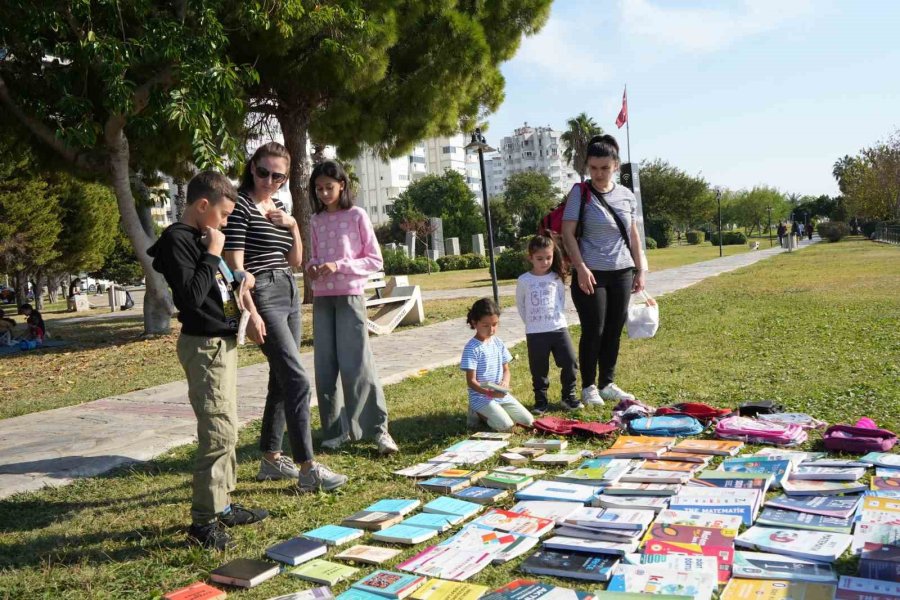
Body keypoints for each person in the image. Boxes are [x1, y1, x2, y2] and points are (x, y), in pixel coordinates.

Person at [148, 171, 269, 551]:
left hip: (222, 342)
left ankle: (223, 504)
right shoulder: (177, 241)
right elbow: (190, 297)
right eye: (223, 214)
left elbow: (214, 286)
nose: (226, 222)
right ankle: (203, 522)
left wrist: (239, 278)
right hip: (204, 347)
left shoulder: (203, 238)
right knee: (218, 433)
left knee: (228, 427)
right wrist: (214, 252)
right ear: (202, 205)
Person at [223, 142, 348, 492]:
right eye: (263, 172)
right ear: (252, 167)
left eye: (278, 175)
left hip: (288, 288)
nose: (270, 180)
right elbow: (235, 267)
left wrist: (293, 225)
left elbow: (294, 260)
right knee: (297, 381)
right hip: (261, 292)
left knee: (281, 380)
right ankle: (308, 469)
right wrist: (250, 311)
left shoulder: (277, 204)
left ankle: (271, 460)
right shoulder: (239, 206)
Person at [306, 160, 398, 455]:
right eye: (318, 188)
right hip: (322, 299)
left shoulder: (356, 215)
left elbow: (374, 260)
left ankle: (377, 430)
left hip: (350, 297)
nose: (323, 193)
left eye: (329, 187)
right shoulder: (315, 220)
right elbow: (314, 257)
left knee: (358, 365)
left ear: (342, 185)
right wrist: (312, 268)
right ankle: (334, 431)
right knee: (325, 366)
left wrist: (339, 265)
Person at [561, 134, 647, 406]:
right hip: (591, 273)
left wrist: (639, 269)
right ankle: (588, 387)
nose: (598, 174)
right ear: (587, 166)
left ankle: (607, 382)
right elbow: (567, 233)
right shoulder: (580, 193)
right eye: (594, 168)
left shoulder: (626, 196)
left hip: (622, 271)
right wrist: (581, 268)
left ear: (616, 167)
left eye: (605, 168)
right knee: (594, 329)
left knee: (613, 328)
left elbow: (633, 235)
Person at [515, 235, 581, 415]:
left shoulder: (556, 278)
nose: (545, 262)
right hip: (535, 332)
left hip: (558, 328)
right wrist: (531, 323)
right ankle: (541, 401)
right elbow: (521, 305)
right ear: (530, 258)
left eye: (548, 258)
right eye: (539, 258)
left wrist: (556, 319)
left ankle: (568, 396)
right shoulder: (524, 280)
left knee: (570, 361)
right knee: (539, 369)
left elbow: (561, 299)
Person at [461, 298, 534, 432]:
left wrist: (505, 383)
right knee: (506, 426)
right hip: (481, 396)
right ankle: (476, 412)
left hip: (499, 394)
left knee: (529, 422)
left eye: (495, 324)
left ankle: (494, 411)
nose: (491, 329)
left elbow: (506, 370)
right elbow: (471, 381)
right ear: (474, 323)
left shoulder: (498, 342)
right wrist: (489, 393)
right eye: (486, 325)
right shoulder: (471, 348)